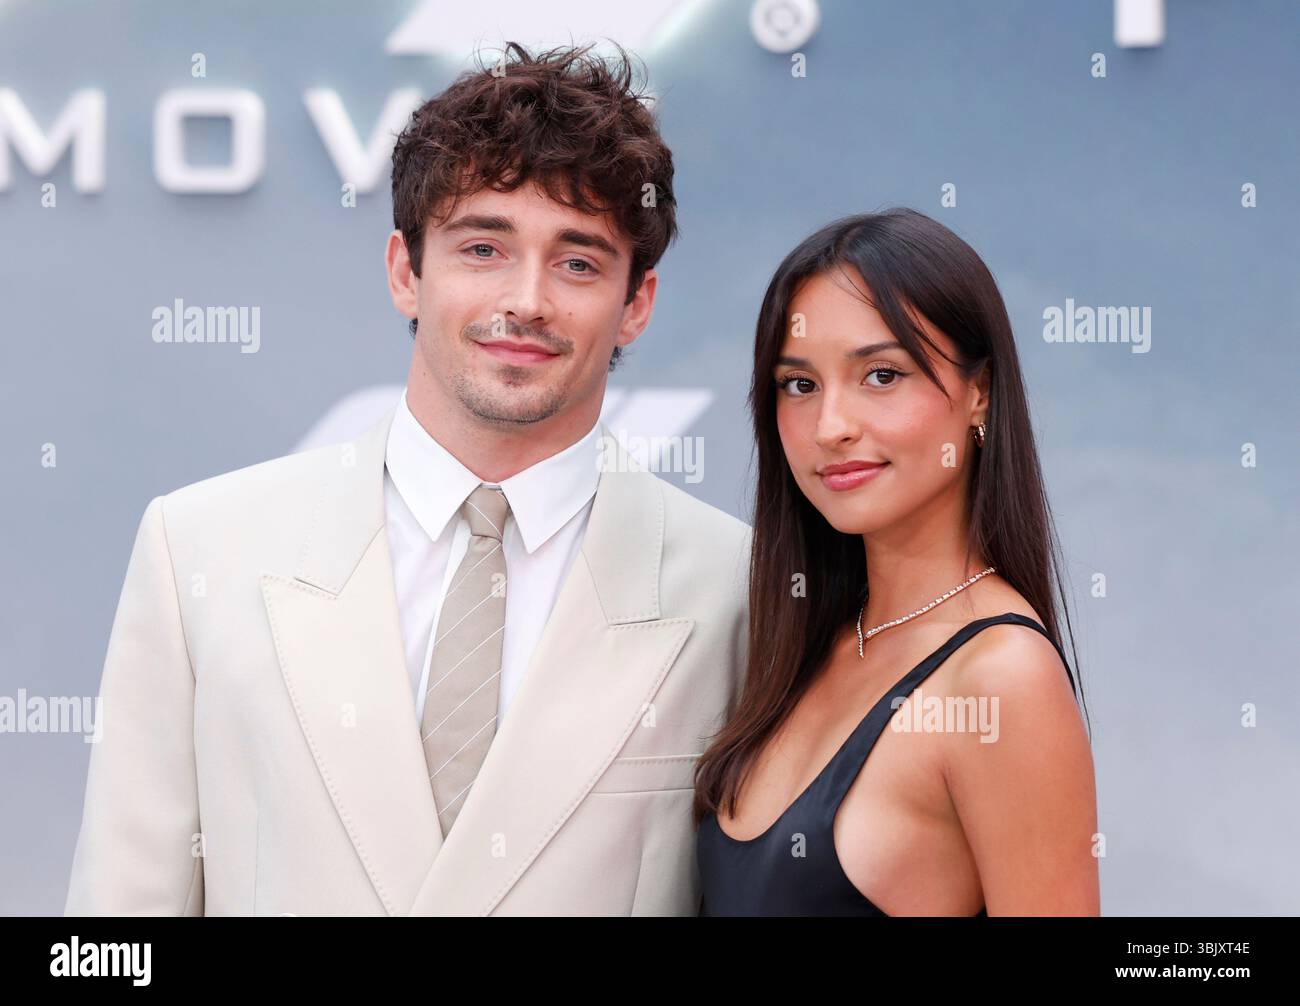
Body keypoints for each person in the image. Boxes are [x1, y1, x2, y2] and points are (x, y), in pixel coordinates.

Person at [64, 41, 750, 916]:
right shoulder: (199, 550)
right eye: (482, 248)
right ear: (405, 271)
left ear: (637, 304)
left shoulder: (737, 586)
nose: (528, 300)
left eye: (578, 261)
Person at [694, 208, 1099, 916]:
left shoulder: (1001, 680)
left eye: (881, 375)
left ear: (981, 391)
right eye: (799, 384)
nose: (831, 427)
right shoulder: (807, 639)